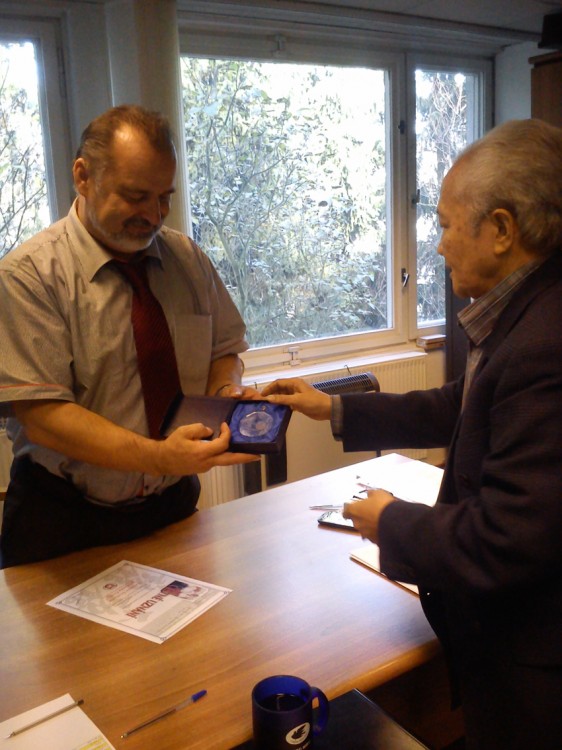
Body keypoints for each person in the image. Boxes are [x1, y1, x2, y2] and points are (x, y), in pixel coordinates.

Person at [262, 119, 562, 750]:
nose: (440, 246)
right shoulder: (525, 313)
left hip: (533, 672)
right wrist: (331, 408)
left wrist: (390, 521)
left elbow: (505, 540)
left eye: (448, 225)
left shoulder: (544, 342)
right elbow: (459, 406)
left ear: (502, 230)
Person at [0, 105, 258, 568]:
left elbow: (224, 350)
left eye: (164, 198)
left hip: (171, 505)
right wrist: (159, 457)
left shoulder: (187, 259)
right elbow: (43, 416)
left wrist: (226, 394)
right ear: (83, 176)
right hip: (63, 519)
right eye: (136, 196)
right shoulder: (29, 276)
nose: (153, 215)